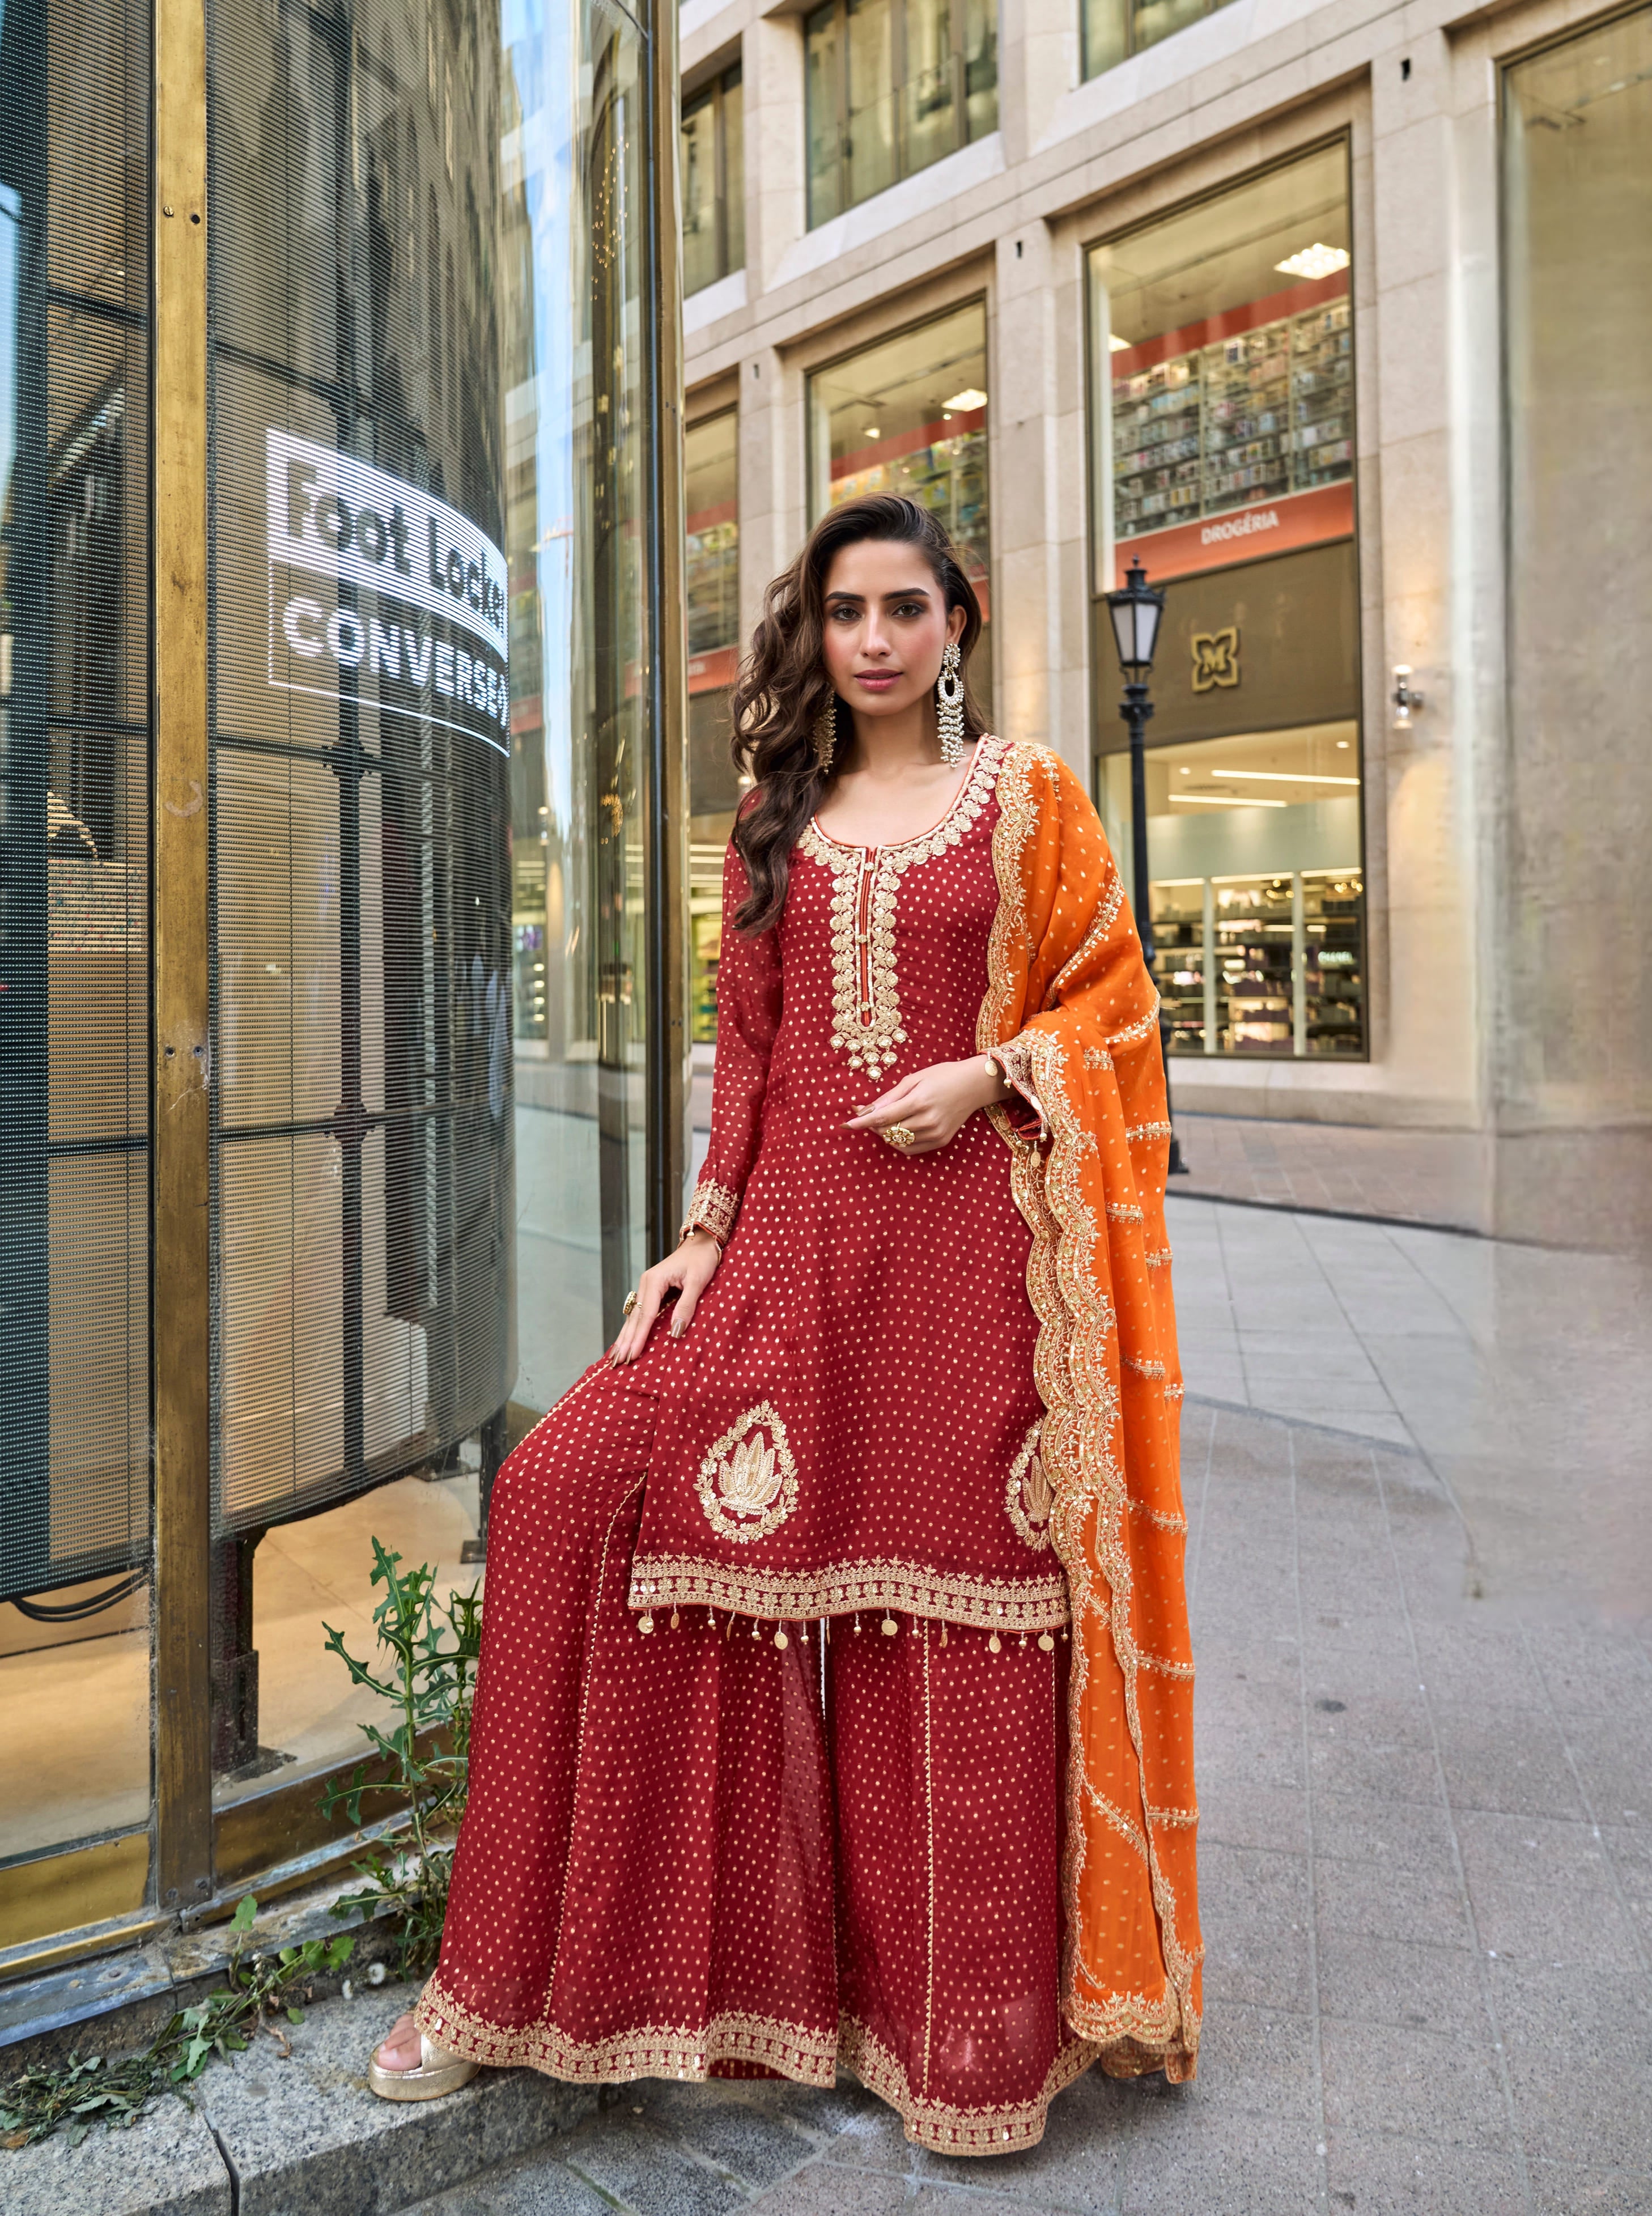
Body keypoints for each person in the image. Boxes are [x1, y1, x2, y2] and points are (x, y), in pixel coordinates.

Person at [368, 494, 1201, 2150]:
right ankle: (528, 1981)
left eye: (906, 607)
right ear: (814, 632)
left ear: (957, 620)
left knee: (950, 1629)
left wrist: (990, 1069)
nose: (876, 639)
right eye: (846, 612)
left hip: (974, 1274)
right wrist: (698, 1237)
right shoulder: (780, 812)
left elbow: (1115, 1011)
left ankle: (953, 2050)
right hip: (787, 1266)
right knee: (563, 1500)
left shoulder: (1029, 800)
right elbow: (745, 1055)